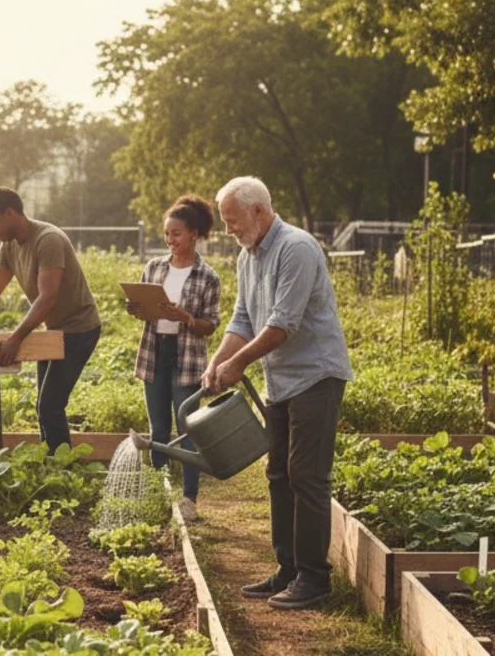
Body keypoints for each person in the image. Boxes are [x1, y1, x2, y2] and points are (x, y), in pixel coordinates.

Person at [202, 176, 352, 611]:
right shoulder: (247, 257)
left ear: (258, 211)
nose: (228, 230)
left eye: (232, 221)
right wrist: (218, 362)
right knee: (278, 475)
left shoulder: (297, 248)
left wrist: (238, 364)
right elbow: (243, 320)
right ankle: (288, 569)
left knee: (307, 475)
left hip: (315, 377)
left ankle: (314, 577)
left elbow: (283, 324)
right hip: (281, 381)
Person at [0, 187, 101, 453]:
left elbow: (47, 297)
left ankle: (62, 471)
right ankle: (52, 465)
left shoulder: (47, 240)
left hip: (79, 329)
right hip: (54, 330)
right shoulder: (9, 245)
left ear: (11, 213)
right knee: (43, 405)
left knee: (50, 405)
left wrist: (16, 338)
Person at [127, 196, 221, 522]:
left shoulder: (208, 277)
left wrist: (185, 317)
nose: (170, 240)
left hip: (187, 357)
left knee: (188, 429)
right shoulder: (154, 267)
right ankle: (161, 493)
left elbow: (209, 325)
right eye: (167, 234)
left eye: (177, 234)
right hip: (155, 352)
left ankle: (189, 499)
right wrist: (138, 308)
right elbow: (148, 313)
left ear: (194, 234)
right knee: (159, 428)